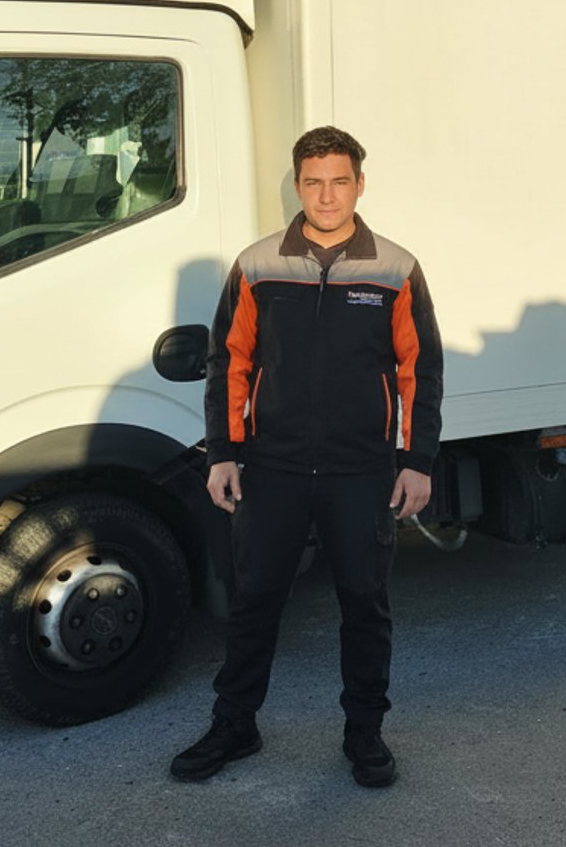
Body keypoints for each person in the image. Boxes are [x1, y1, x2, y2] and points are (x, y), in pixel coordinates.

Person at [170, 126, 444, 788]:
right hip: (274, 467)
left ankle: (365, 734)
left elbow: (421, 369)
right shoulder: (259, 263)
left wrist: (418, 459)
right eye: (314, 181)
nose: (327, 194)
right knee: (255, 601)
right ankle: (235, 724)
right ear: (298, 184)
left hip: (362, 470)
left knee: (364, 604)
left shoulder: (395, 268)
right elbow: (228, 362)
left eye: (340, 180)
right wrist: (225, 452)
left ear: (359, 183)